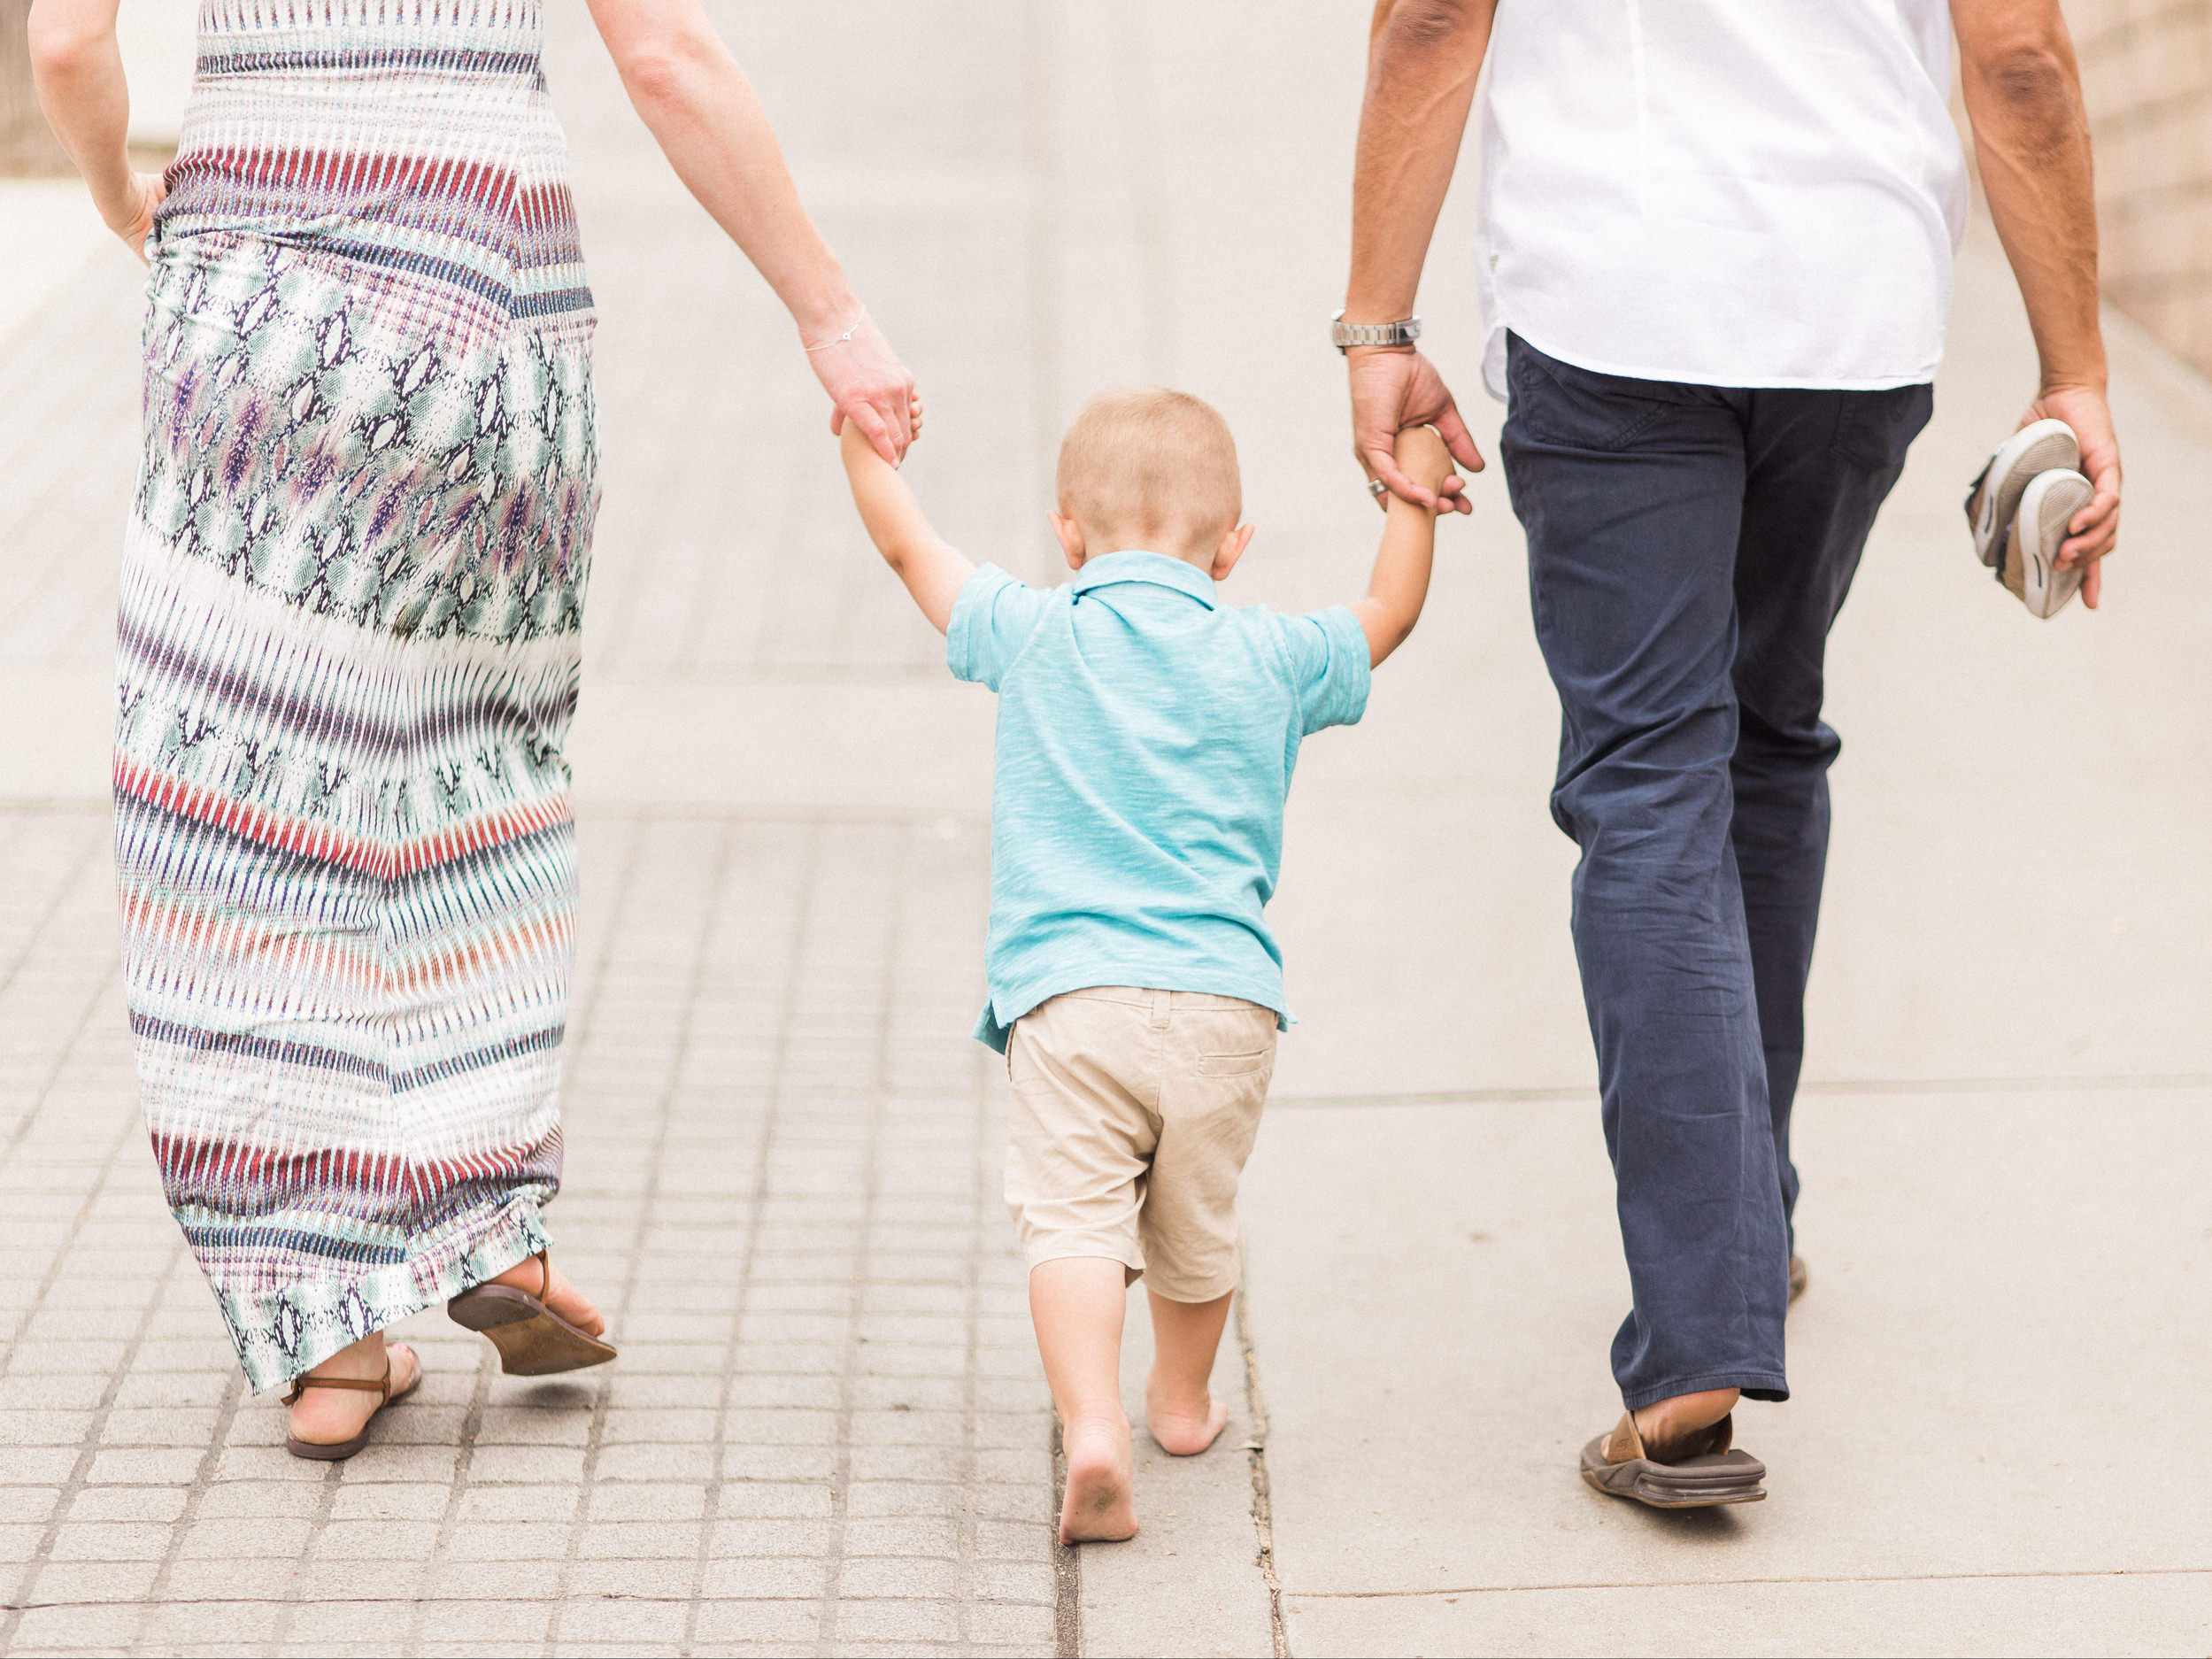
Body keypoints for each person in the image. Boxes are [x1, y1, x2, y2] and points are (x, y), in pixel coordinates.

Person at [28, 0, 916, 1459]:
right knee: (468, 770)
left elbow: (66, 44)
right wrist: (834, 316)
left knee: (236, 810)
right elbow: (667, 60)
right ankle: (481, 1217)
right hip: (482, 330)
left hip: (248, 324)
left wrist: (122, 191)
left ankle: (327, 1328)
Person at [1341, 0, 2122, 1506]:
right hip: (1854, 307)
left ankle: (1702, 1327)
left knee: (1649, 776)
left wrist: (1379, 325)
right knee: (1762, 742)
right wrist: (2073, 367)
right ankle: (1742, 1217)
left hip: (1611, 294)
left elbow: (1432, 20)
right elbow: (2019, 51)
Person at [840, 391, 1452, 1540]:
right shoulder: (1272, 652)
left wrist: (859, 443)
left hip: (1070, 1001)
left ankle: (1094, 1428)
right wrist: (1411, 474)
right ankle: (1179, 1404)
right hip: (1227, 1003)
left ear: (1067, 532)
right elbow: (1392, 607)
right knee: (1196, 1226)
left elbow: (905, 542)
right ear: (1233, 546)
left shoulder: (1032, 627)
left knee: (1074, 1223)